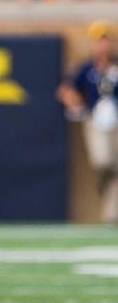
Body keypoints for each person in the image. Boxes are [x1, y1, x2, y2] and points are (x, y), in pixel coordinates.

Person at [57, 22, 118, 223]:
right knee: (103, 162)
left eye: (105, 41)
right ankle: (106, 193)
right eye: (99, 41)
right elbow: (66, 90)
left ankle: (111, 215)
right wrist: (78, 105)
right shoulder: (87, 68)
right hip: (96, 120)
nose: (103, 46)